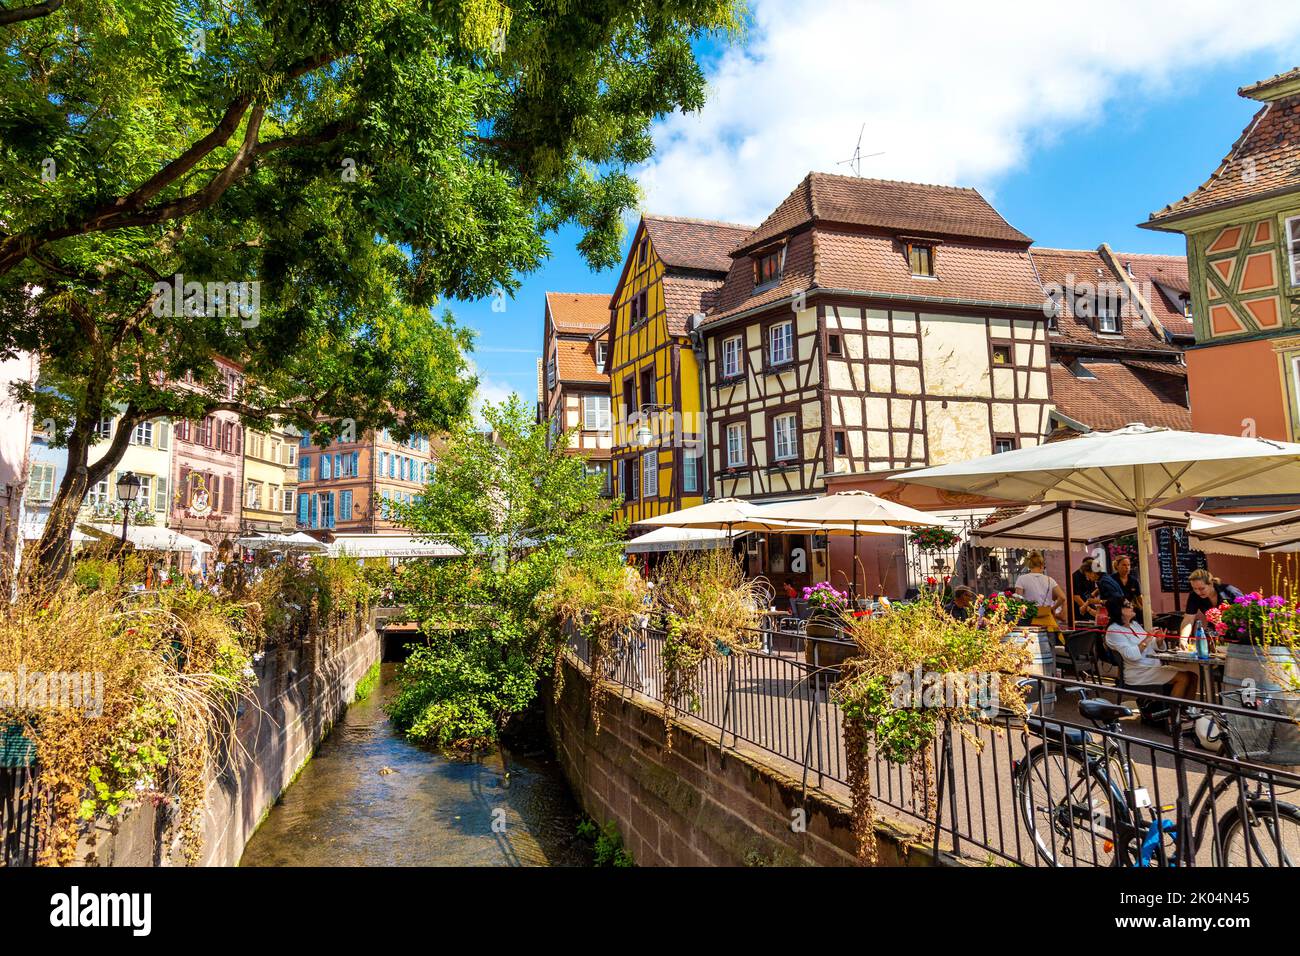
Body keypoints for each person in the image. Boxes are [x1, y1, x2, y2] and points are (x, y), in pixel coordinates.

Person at [1104, 599, 1199, 702]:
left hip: (1153, 667)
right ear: (1119, 610)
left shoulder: (1134, 624)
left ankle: (1186, 711)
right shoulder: (1113, 631)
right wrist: (1148, 638)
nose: (1132, 606)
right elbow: (1131, 655)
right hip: (1139, 672)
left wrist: (1158, 641)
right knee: (1183, 678)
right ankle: (1173, 714)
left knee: (1193, 676)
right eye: (1128, 605)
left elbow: (1150, 643)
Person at [1180, 568, 1243, 636]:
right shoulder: (1194, 596)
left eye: (1202, 588)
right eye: (1195, 589)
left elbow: (1245, 613)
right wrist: (1183, 639)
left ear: (1211, 584)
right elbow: (1188, 619)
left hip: (1238, 631)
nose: (1198, 592)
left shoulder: (1230, 591)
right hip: (1214, 631)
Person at [1014, 551, 1066, 630]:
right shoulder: (1050, 580)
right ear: (1042, 565)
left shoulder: (1022, 579)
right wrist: (1053, 608)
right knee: (1049, 641)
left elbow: (1018, 600)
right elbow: (1062, 597)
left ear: (1030, 565)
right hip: (1047, 618)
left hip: (1029, 619)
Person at [1071, 557, 1103, 623]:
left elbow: (1092, 593)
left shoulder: (1093, 575)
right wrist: (1089, 609)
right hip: (1079, 608)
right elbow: (1076, 597)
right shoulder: (1075, 576)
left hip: (1088, 604)